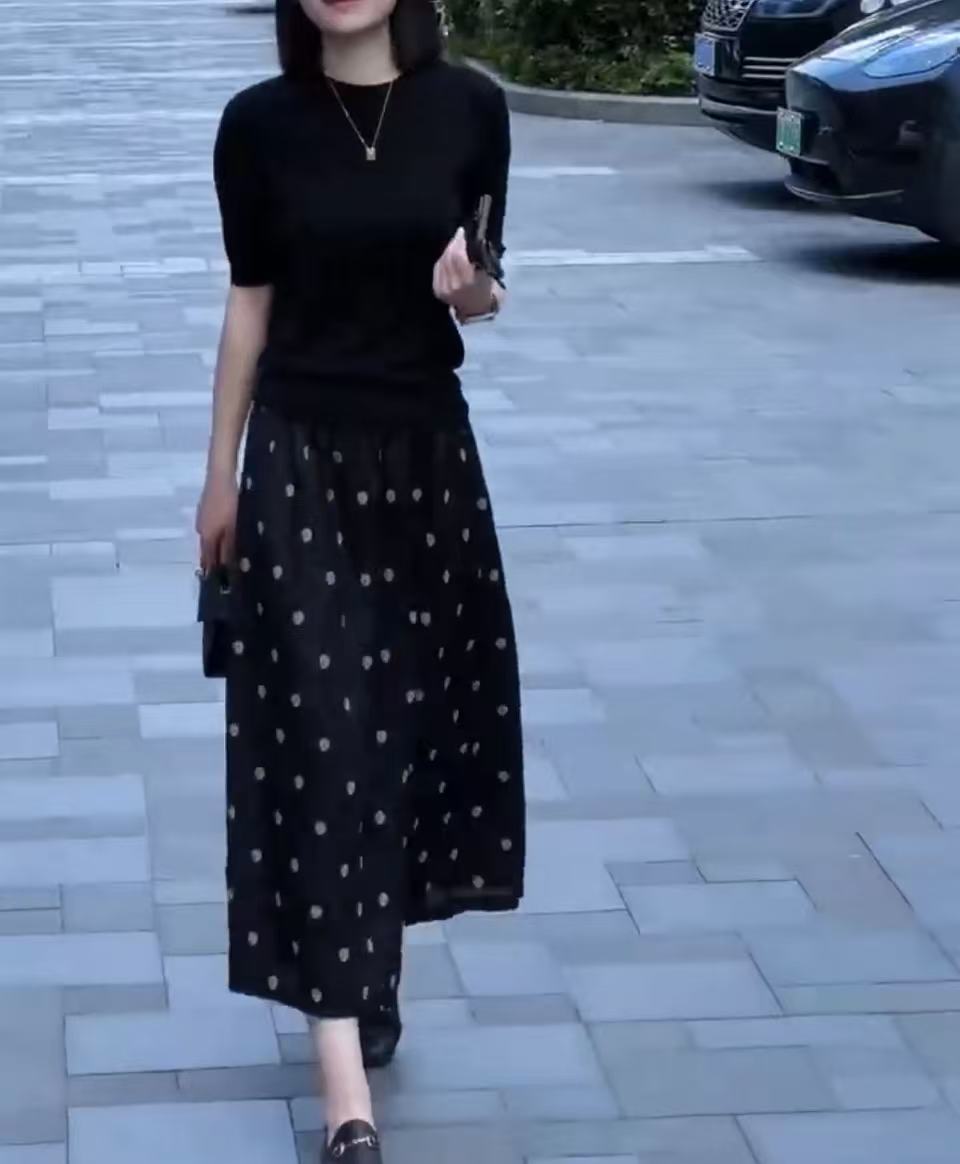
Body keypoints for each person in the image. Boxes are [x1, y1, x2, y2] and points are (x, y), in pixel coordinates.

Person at [195, 0, 526, 1159]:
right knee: (322, 738)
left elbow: (487, 286)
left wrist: (469, 291)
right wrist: (219, 478)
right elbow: (250, 302)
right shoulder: (257, 124)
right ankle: (345, 1093)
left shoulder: (472, 109)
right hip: (298, 462)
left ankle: (365, 960)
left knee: (407, 730)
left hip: (428, 459)